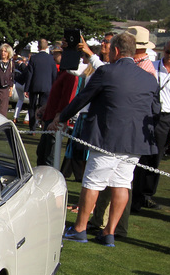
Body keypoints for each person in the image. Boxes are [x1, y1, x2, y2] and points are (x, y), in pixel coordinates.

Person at [49, 31, 159, 247]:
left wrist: (61, 117)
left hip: (108, 137)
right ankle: (109, 232)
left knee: (93, 182)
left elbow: (83, 98)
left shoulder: (107, 72)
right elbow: (155, 109)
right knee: (122, 184)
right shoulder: (149, 78)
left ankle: (80, 228)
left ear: (116, 50)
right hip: (135, 141)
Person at [132, 38, 170, 212]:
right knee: (140, 155)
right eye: (168, 52)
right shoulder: (152, 66)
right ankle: (135, 195)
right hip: (146, 115)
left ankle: (146, 195)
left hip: (166, 117)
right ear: (162, 51)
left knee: (155, 157)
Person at [24, 38, 57, 129]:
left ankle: (32, 127)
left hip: (34, 85)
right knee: (43, 106)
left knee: (32, 107)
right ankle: (43, 125)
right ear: (47, 47)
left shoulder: (34, 58)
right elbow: (54, 74)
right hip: (47, 86)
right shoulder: (51, 59)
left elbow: (29, 74)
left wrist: (26, 89)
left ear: (38, 47)